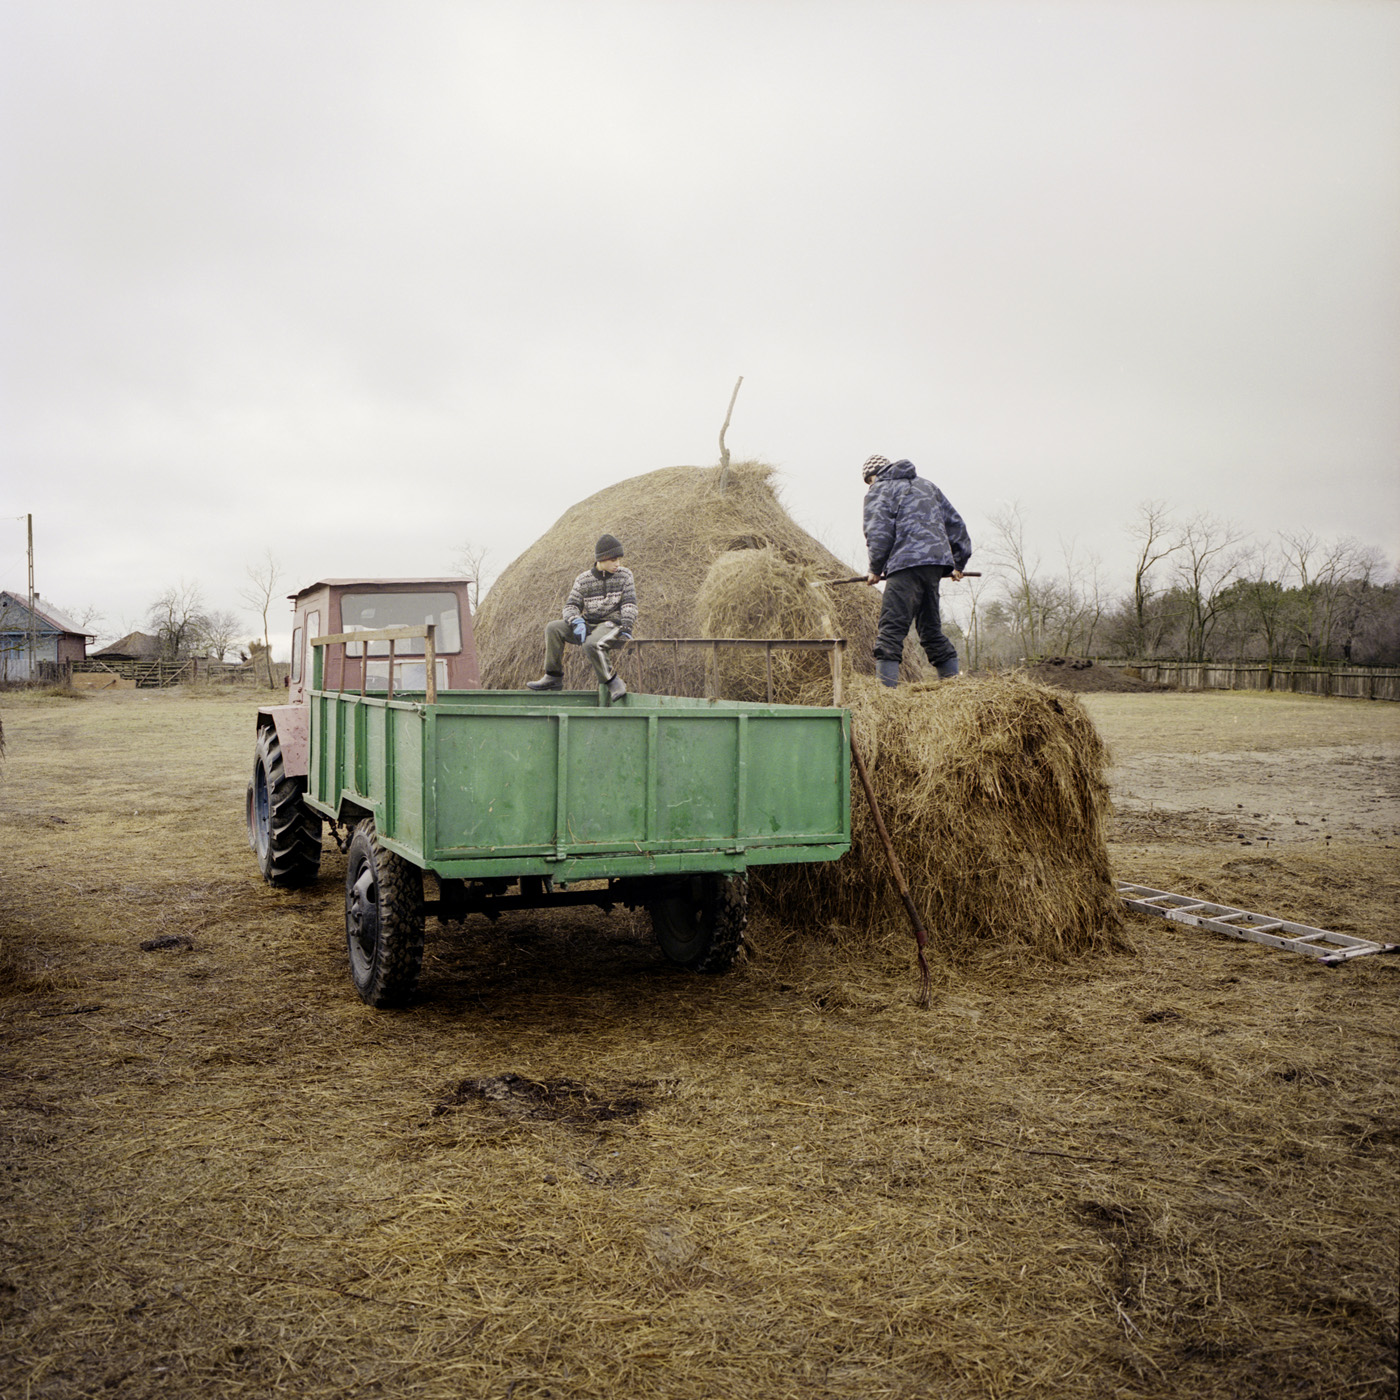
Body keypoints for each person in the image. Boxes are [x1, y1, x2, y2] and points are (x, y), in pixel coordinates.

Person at [861, 455, 971, 687]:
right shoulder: (927, 486)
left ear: (872, 476)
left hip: (905, 565)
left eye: (868, 482)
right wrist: (959, 563)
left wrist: (875, 568)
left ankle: (887, 699)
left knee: (890, 630)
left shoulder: (880, 488)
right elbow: (956, 524)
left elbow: (879, 530)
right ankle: (954, 690)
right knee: (931, 631)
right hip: (934, 565)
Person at [526, 534, 638, 699]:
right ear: (601, 559)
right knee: (553, 628)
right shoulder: (583, 579)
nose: (618, 564)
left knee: (590, 644)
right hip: (588, 622)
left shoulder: (625, 575)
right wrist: (576, 621)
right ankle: (553, 676)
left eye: (619, 559)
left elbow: (629, 603)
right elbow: (571, 606)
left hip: (611, 623)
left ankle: (612, 681)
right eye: (613, 560)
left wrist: (627, 625)